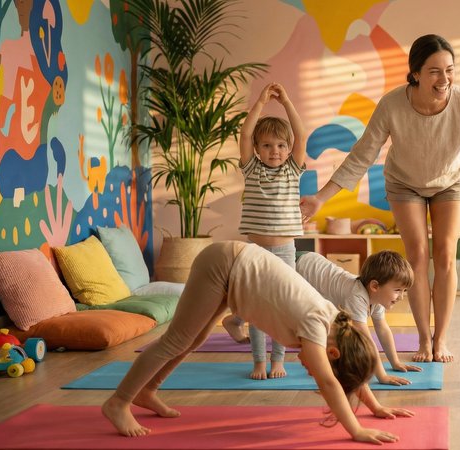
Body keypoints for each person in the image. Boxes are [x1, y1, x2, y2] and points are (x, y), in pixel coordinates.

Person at [300, 34, 460, 363]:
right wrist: (320, 198)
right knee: (417, 256)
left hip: (451, 182)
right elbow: (361, 156)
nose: (444, 80)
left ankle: (441, 339)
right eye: (434, 71)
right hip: (404, 184)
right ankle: (423, 340)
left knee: (445, 255)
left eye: (450, 70)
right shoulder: (392, 105)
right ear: (415, 73)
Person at [101, 241, 413, 443]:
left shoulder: (338, 325)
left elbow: (349, 362)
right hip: (224, 264)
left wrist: (375, 406)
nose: (310, 371)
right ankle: (119, 401)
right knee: (176, 339)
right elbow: (331, 383)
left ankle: (148, 390)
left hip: (237, 269)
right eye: (313, 369)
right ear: (332, 353)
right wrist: (356, 430)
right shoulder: (317, 326)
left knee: (193, 339)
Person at [221, 82, 306, 380]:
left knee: (280, 306)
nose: (275, 151)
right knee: (258, 307)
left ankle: (277, 360)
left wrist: (286, 103)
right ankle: (259, 361)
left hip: (284, 250)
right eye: (267, 145)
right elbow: (245, 133)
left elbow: (301, 135)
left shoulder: (293, 169)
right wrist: (259, 102)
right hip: (256, 249)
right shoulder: (251, 169)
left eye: (281, 145)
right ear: (257, 149)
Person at [295, 250, 422, 385]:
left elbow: (383, 330)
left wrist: (395, 362)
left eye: (404, 291)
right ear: (374, 286)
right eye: (397, 290)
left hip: (309, 262)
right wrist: (382, 376)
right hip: (297, 265)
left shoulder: (377, 297)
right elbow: (366, 341)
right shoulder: (356, 296)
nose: (401, 297)